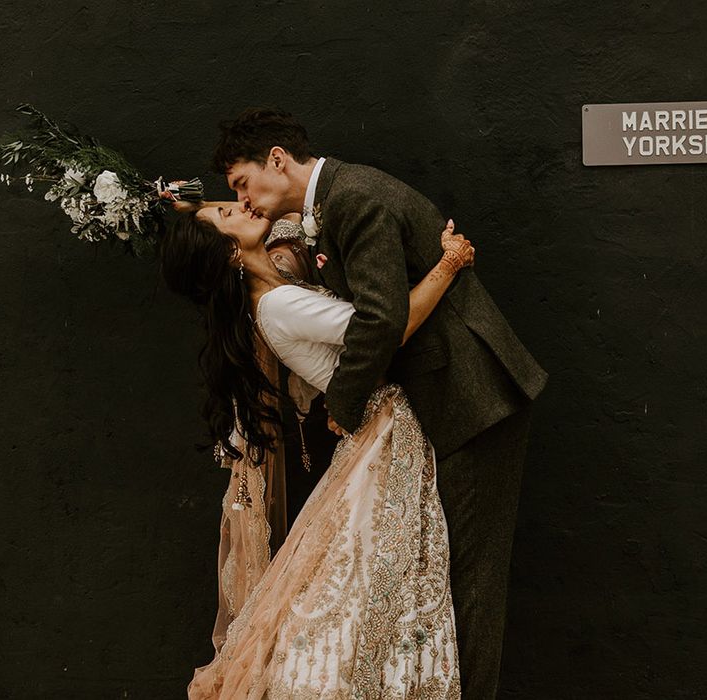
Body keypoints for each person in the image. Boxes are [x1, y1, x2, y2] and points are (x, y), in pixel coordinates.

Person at [213, 108, 549, 699]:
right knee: (445, 577)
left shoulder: (354, 197)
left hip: (471, 397)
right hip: (443, 399)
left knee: (470, 579)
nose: (244, 199)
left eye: (241, 183)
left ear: (276, 159)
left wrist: (342, 405)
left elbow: (380, 316)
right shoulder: (325, 208)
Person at [159, 203, 475, 698]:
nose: (241, 202)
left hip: (375, 431)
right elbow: (386, 330)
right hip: (382, 435)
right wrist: (448, 264)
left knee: (369, 587)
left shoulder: (277, 285)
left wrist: (185, 206)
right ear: (228, 250)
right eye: (227, 209)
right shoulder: (278, 305)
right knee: (375, 589)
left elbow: (274, 216)